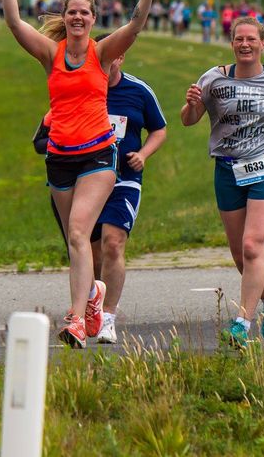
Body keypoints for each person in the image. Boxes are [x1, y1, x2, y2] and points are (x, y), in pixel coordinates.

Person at [0, 0, 162, 349]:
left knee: (77, 232)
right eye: (72, 11)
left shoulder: (102, 54)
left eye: (85, 12)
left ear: (93, 18)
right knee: (78, 241)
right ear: (65, 16)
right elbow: (16, 25)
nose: (78, 17)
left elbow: (136, 25)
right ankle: (92, 295)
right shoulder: (50, 55)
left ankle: (74, 319)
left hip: (98, 157)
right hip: (60, 158)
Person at [181, 17, 264, 348]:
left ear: (263, 44)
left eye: (251, 39)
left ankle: (242, 323)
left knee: (254, 245)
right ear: (232, 43)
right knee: (242, 256)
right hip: (227, 169)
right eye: (239, 39)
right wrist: (193, 104)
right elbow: (188, 120)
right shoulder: (214, 79)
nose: (245, 44)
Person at [90, 33, 168, 344]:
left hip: (124, 178)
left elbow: (159, 129)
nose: (107, 61)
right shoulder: (85, 88)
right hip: (88, 179)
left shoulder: (138, 90)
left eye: (113, 55)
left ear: (121, 57)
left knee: (113, 243)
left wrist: (143, 154)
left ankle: (108, 316)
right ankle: (90, 309)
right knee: (92, 252)